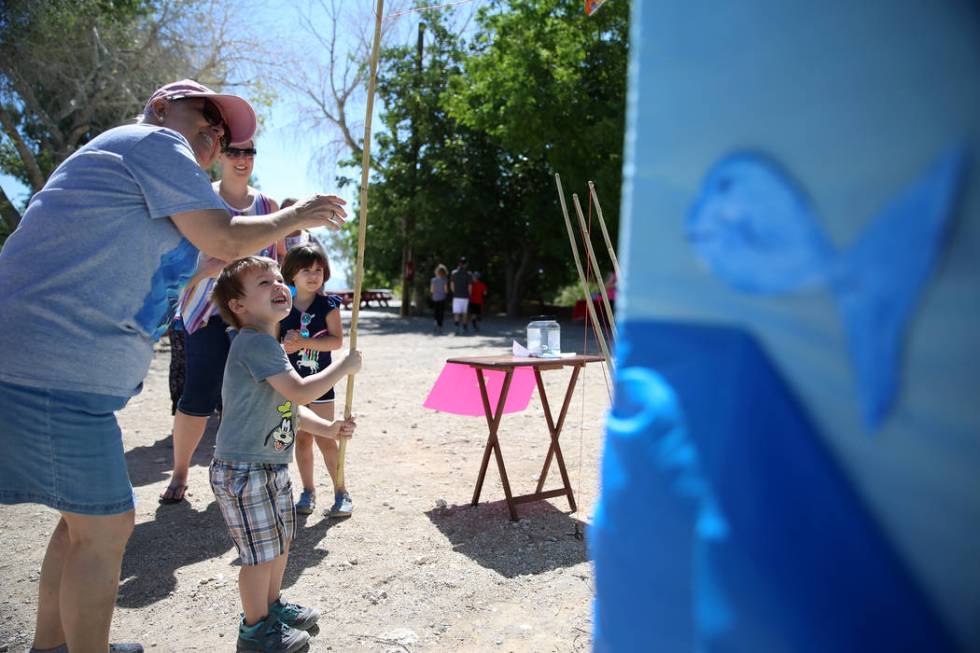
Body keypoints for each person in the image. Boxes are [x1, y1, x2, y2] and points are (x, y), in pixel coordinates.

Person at [0, 79, 347, 653]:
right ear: (161, 108)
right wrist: (299, 214)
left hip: (54, 369)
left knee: (81, 524)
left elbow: (166, 267)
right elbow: (221, 233)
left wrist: (209, 264)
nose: (214, 136)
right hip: (51, 367)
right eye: (204, 119)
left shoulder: (140, 181)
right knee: (107, 527)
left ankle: (54, 646)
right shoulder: (155, 143)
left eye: (223, 133)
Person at [208, 256, 360, 652]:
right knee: (258, 556)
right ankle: (255, 632)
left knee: (279, 544)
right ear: (238, 306)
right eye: (264, 282)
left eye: (278, 278)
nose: (278, 284)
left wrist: (327, 428)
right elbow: (299, 392)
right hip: (244, 468)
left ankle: (271, 608)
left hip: (271, 464)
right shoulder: (254, 343)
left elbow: (288, 407)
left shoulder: (270, 344)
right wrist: (342, 367)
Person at [159, 137, 283, 505]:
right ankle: (180, 473)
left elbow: (276, 268)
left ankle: (238, 474)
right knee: (197, 396)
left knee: (250, 398)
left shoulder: (268, 207)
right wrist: (203, 271)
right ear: (220, 156)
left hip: (252, 321)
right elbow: (174, 265)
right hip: (204, 315)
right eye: (233, 151)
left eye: (249, 152)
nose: (241, 159)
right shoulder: (199, 200)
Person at [278, 245, 351, 518]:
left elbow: (337, 340)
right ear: (291, 275)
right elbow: (274, 341)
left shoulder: (327, 305)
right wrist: (285, 345)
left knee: (326, 437)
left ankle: (341, 492)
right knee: (302, 439)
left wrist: (305, 342)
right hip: (291, 384)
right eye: (306, 270)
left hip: (321, 383)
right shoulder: (281, 306)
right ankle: (308, 491)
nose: (313, 275)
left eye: (318, 270)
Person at [450, 256, 472, 334]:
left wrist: (454, 292)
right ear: (466, 264)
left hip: (456, 296)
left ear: (459, 263)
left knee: (456, 312)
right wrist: (470, 295)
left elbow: (452, 285)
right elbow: (469, 287)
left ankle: (456, 327)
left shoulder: (454, 273)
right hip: (465, 296)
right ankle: (464, 328)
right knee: (464, 313)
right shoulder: (468, 274)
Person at [430, 264, 449, 334]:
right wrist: (446, 293)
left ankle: (435, 321)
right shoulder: (445, 280)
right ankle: (440, 327)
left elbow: (432, 290)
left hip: (435, 297)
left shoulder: (433, 280)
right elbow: (446, 290)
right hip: (442, 298)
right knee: (441, 313)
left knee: (436, 311)